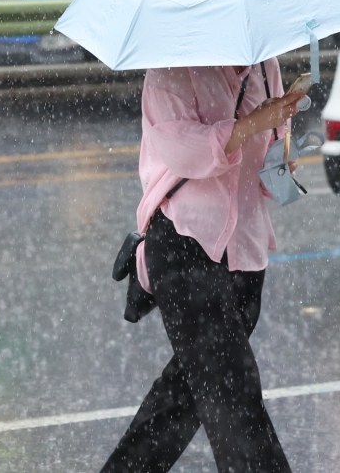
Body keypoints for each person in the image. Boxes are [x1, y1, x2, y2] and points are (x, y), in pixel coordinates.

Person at [101, 60, 305, 473]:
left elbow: (267, 174)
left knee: (185, 393)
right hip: (184, 245)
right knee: (233, 390)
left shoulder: (266, 66)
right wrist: (253, 123)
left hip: (245, 251)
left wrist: (284, 154)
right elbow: (185, 153)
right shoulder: (171, 71)